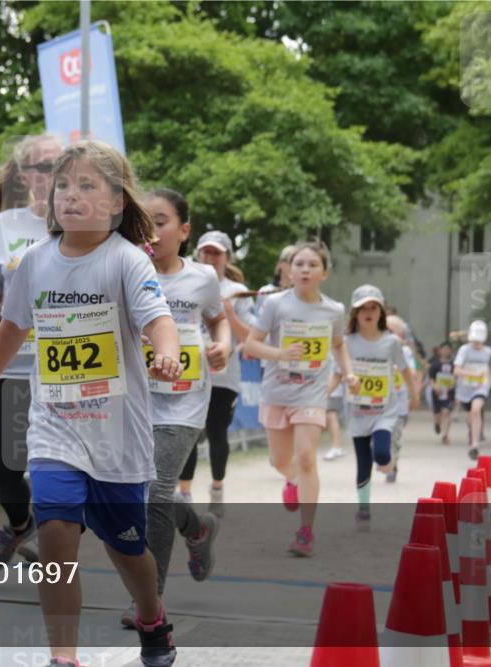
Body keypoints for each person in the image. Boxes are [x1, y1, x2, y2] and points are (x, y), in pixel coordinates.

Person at [0, 141, 181, 667]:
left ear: (116, 202)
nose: (70, 195)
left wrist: (169, 352)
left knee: (128, 551)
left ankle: (153, 621)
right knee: (57, 535)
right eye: (63, 185)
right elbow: (12, 327)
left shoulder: (127, 260)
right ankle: (64, 656)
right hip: (55, 427)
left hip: (117, 436)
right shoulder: (35, 262)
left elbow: (158, 319)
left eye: (87, 186)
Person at [119, 189, 229, 630]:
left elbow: (217, 318)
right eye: (142, 221)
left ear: (184, 231)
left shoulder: (202, 278)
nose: (151, 230)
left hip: (183, 401)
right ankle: (197, 527)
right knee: (139, 492)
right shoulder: (122, 269)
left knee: (155, 492)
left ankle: (151, 600)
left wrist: (222, 343)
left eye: (160, 220)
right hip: (131, 398)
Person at [0, 133, 63, 565]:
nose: (52, 174)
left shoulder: (82, 222)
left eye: (60, 165)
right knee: (4, 471)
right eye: (43, 166)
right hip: (13, 364)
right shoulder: (7, 226)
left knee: (53, 468)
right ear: (26, 175)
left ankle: (53, 541)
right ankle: (22, 527)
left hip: (65, 371)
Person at [243, 240, 357, 557]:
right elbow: (252, 346)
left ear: (324, 272)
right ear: (288, 271)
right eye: (299, 264)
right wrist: (280, 353)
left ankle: (306, 532)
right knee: (280, 460)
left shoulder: (334, 310)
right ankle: (292, 480)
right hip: (277, 391)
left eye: (312, 265)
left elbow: (338, 345)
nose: (305, 269)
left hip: (312, 391)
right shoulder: (275, 305)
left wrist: (348, 373)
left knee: (307, 456)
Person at [180, 228, 254, 515]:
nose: (210, 257)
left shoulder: (237, 292)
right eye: (206, 251)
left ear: (226, 257)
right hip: (187, 372)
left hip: (224, 376)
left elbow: (250, 336)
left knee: (216, 431)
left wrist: (228, 313)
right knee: (187, 431)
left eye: (216, 252)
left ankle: (217, 487)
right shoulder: (183, 281)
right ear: (197, 253)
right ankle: (184, 493)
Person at [331, 285, 417, 530]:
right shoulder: (346, 343)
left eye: (373, 307)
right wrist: (321, 397)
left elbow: (405, 370)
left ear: (381, 312)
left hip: (384, 411)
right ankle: (364, 509)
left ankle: (387, 459)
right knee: (363, 463)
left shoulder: (391, 343)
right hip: (357, 412)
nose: (368, 312)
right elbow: (338, 374)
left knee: (380, 454)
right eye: (363, 308)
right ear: (355, 314)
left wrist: (413, 394)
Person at [385, 314, 421, 482]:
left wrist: (414, 395)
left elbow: (412, 373)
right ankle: (384, 458)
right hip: (378, 403)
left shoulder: (405, 352)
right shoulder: (377, 348)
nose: (388, 333)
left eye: (393, 331)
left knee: (395, 436)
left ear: (401, 335)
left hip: (399, 404)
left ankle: (393, 464)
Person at [454, 320, 491, 460]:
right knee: (470, 416)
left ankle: (474, 445)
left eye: (479, 340)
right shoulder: (464, 350)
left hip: (480, 389)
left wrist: (488, 384)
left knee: (475, 410)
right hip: (465, 389)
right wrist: (472, 374)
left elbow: (489, 370)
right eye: (474, 340)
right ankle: (472, 432)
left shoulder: (489, 352)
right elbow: (457, 370)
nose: (476, 343)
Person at [427, 342, 456, 445]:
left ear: (451, 351)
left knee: (446, 412)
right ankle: (437, 423)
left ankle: (446, 435)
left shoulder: (454, 365)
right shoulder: (435, 364)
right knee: (438, 414)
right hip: (437, 393)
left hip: (449, 393)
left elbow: (457, 377)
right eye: (443, 349)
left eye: (448, 349)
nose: (445, 351)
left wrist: (454, 385)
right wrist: (435, 386)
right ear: (440, 350)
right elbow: (431, 379)